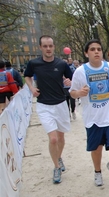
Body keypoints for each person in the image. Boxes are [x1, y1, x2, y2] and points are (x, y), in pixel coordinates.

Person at [70, 39, 109, 187]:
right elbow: (72, 93)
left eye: (99, 49)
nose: (96, 52)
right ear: (86, 53)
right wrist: (80, 92)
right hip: (92, 118)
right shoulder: (80, 71)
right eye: (93, 49)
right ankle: (97, 172)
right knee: (96, 149)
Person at [24, 35, 73, 184]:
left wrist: (68, 81)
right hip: (44, 105)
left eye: (50, 46)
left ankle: (58, 157)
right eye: (45, 46)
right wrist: (31, 87)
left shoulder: (61, 63)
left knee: (61, 138)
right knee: (53, 139)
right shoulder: (34, 63)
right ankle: (56, 167)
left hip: (60, 104)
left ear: (54, 47)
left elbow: (71, 78)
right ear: (40, 47)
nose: (48, 49)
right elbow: (27, 76)